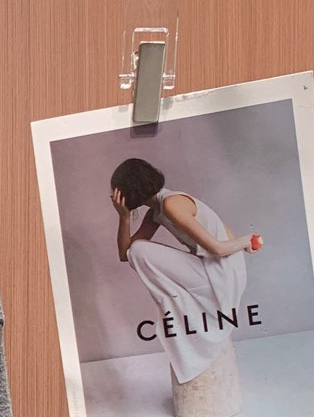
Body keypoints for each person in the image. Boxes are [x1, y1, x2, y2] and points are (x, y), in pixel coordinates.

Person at [109, 156, 262, 385]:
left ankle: (176, 299)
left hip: (223, 273)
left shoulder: (172, 204)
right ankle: (176, 300)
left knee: (140, 249)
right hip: (209, 268)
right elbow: (125, 254)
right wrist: (123, 218)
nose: (114, 198)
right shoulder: (157, 211)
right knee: (137, 250)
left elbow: (218, 249)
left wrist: (246, 240)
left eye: (117, 192)